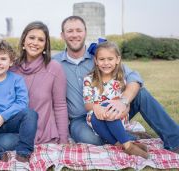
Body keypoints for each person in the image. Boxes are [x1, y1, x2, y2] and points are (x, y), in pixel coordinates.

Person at [53, 15, 179, 154]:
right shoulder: (54, 63)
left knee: (141, 93)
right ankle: (128, 138)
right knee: (89, 139)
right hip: (80, 119)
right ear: (62, 35)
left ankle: (175, 141)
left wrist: (123, 101)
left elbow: (134, 77)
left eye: (79, 30)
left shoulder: (101, 55)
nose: (75, 34)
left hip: (115, 109)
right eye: (70, 31)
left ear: (85, 32)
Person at [83, 41, 148, 159]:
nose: (106, 63)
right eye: (102, 59)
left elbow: (125, 104)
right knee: (100, 112)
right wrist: (97, 107)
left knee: (110, 106)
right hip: (96, 118)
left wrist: (124, 110)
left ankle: (123, 144)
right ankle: (127, 145)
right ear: (96, 61)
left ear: (117, 60)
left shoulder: (121, 80)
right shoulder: (89, 79)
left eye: (110, 59)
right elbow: (87, 104)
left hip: (117, 117)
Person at [10, 21, 69, 144]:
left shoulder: (54, 68)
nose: (35, 43)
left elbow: (60, 106)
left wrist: (63, 139)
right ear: (23, 41)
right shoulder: (12, 68)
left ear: (45, 45)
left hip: (42, 131)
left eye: (41, 40)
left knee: (5, 142)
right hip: (14, 128)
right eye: (32, 38)